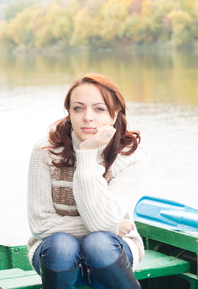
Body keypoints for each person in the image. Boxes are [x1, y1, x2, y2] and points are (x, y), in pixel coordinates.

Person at [27, 73, 147, 289]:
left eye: (99, 109)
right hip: (55, 255)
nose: (88, 117)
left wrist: (87, 155)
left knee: (98, 243)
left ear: (115, 113)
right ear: (69, 113)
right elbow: (40, 225)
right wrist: (112, 226)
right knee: (62, 245)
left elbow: (103, 225)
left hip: (111, 253)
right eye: (78, 108)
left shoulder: (130, 158)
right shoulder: (45, 152)